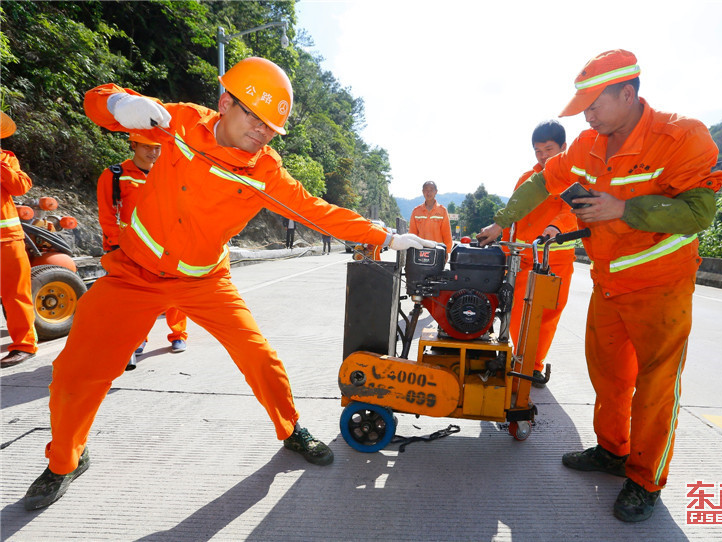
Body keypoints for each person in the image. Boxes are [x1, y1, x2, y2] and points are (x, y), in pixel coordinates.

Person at [23, 56, 435, 511]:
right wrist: (119, 103)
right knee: (74, 375)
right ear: (224, 103)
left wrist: (388, 236)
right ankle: (65, 460)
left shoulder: (264, 173)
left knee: (261, 359)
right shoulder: (177, 123)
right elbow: (95, 102)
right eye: (253, 117)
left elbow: (318, 211)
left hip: (205, 283)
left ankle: (289, 428)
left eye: (270, 127)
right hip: (133, 277)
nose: (260, 131)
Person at [478, 50, 722, 522]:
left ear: (627, 94)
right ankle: (613, 451)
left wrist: (622, 208)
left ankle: (644, 479)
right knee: (610, 377)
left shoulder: (681, 137)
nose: (588, 116)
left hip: (661, 286)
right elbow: (542, 184)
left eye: (594, 105)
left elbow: (700, 214)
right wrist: (500, 223)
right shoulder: (588, 145)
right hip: (608, 282)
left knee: (655, 387)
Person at [96, 133, 189, 369]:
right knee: (137, 299)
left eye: (158, 148)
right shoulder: (115, 175)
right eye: (147, 147)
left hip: (166, 246)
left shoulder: (169, 174)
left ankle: (178, 334)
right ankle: (137, 340)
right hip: (130, 249)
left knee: (174, 292)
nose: (154, 153)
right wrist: (116, 245)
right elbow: (107, 214)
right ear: (133, 144)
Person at [500, 120, 576, 387]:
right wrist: (504, 250)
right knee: (518, 311)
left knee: (548, 314)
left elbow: (574, 211)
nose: (543, 156)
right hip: (523, 258)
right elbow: (513, 218)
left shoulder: (574, 178)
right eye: (538, 150)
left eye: (548, 148)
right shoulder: (527, 179)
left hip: (557, 258)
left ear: (563, 147)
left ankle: (533, 365)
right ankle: (521, 359)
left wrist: (557, 226)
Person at [1, 111, 37, 368]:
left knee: (16, 293)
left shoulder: (7, 159)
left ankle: (24, 345)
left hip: (7, 239)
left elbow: (21, 187)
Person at [408, 181, 453, 254]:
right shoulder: (416, 211)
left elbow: (447, 233)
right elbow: (412, 234)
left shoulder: (442, 211)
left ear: (436, 192)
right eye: (426, 190)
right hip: (420, 251)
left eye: (431, 190)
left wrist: (447, 252)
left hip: (438, 251)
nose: (428, 193)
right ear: (422, 192)